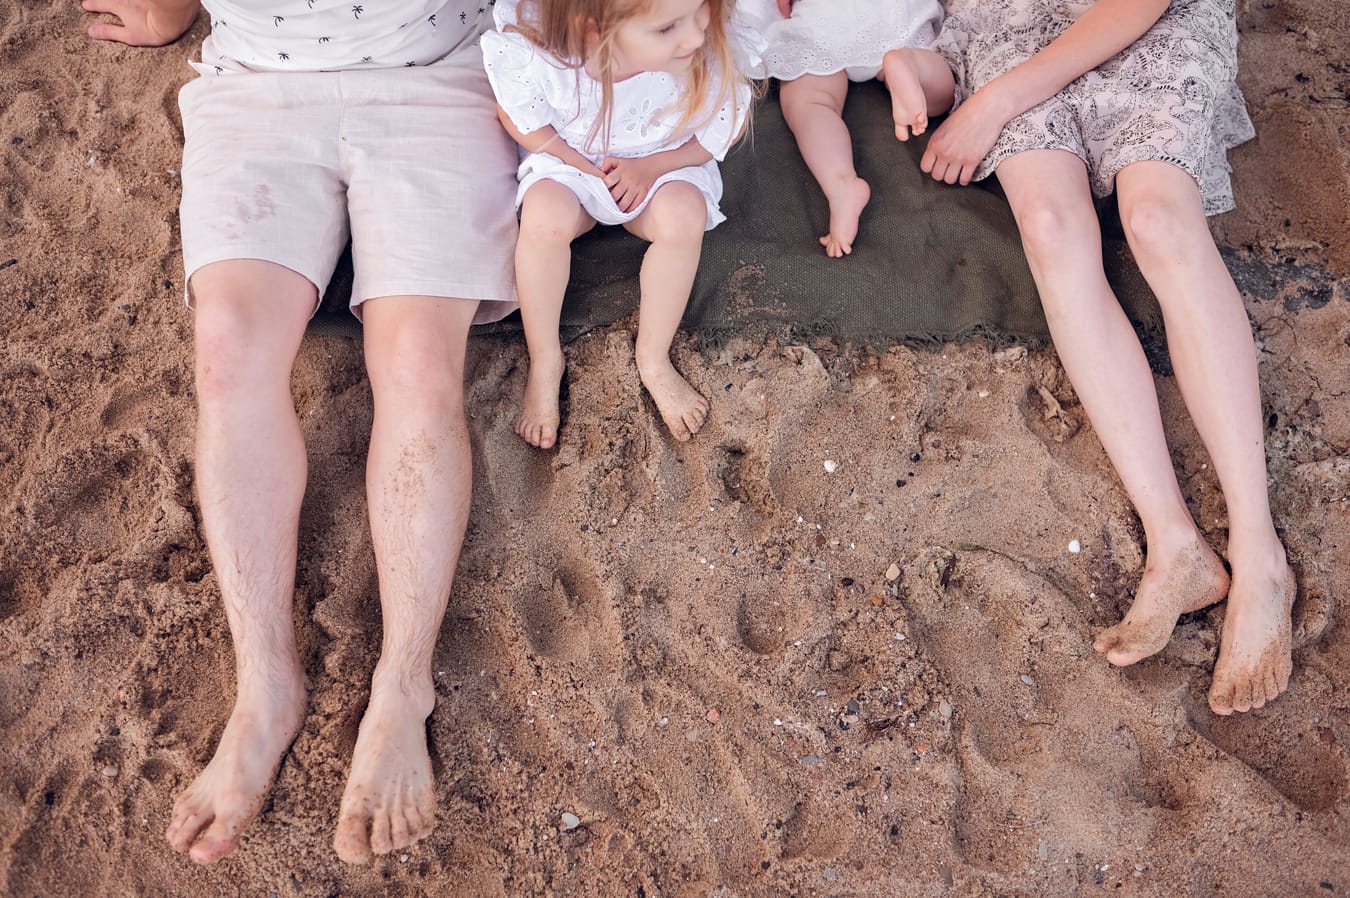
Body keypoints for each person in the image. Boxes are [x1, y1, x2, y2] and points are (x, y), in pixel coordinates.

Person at [82, 0, 519, 864]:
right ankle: (265, 688)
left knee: (421, 362)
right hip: (258, 85)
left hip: (439, 73)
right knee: (227, 349)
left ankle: (403, 685)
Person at [923, 0, 1294, 714]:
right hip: (1005, 17)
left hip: (1148, 14)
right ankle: (1174, 542)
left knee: (1155, 220)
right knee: (1049, 226)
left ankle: (1259, 555)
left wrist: (994, 101)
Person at [481, 0, 760, 449]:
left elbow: (719, 128)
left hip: (661, 161)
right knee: (544, 217)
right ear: (595, 31)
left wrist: (652, 168)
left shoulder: (694, 46)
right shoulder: (546, 51)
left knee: (682, 214)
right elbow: (515, 113)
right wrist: (570, 161)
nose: (692, 35)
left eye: (699, 12)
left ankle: (653, 357)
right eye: (668, 27)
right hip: (571, 162)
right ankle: (545, 359)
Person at [744, 0, 954, 257]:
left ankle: (841, 183)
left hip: (825, 20)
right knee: (941, 93)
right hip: (897, 13)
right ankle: (909, 63)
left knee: (812, 101)